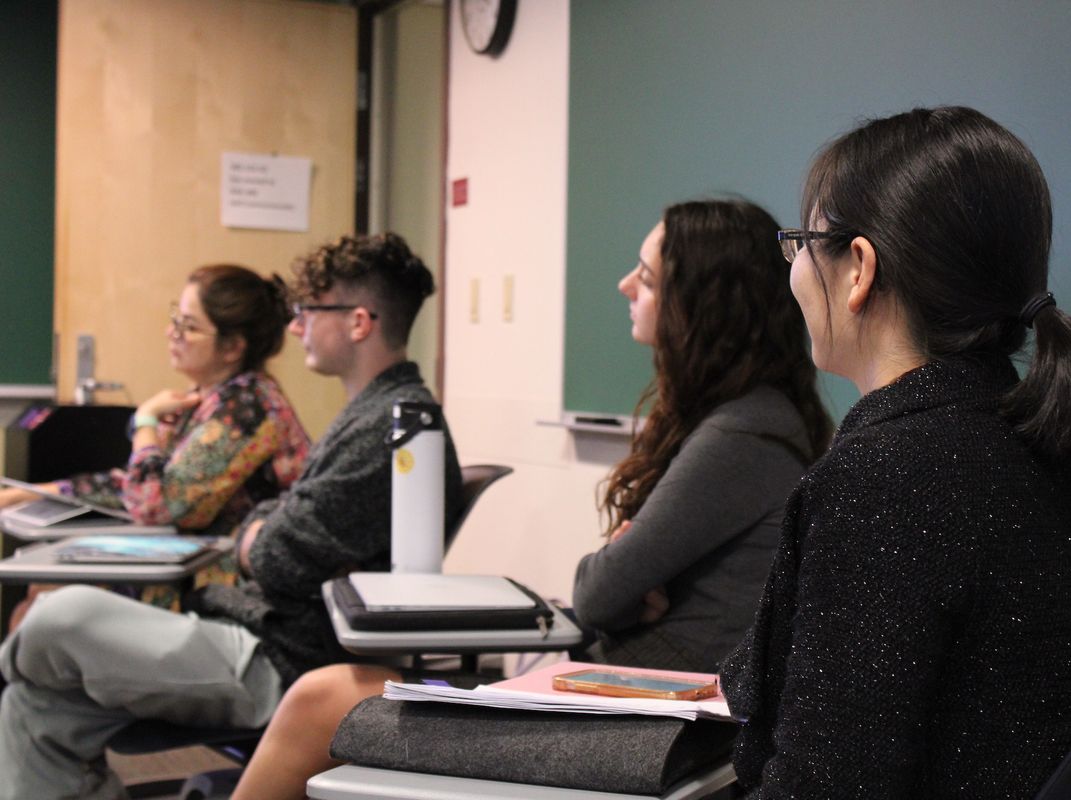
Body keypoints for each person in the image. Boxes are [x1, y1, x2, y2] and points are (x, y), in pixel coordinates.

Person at [226, 198, 834, 800]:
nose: (625, 286)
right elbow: (612, 597)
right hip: (623, 698)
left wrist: (620, 582)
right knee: (333, 695)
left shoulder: (739, 436)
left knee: (317, 699)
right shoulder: (750, 420)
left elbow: (595, 593)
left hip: (654, 723)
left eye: (646, 278)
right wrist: (624, 587)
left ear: (703, 306)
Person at [718, 106, 1071, 798]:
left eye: (801, 244)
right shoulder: (1050, 452)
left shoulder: (884, 475)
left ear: (858, 269)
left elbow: (825, 785)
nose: (796, 273)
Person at [0, 232, 464, 800]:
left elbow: (278, 557)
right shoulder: (372, 415)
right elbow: (270, 521)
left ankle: (15, 661)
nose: (295, 329)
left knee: (58, 614)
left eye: (308, 313)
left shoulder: (393, 427)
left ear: (359, 323)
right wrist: (258, 531)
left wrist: (254, 534)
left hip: (277, 655)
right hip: (246, 624)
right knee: (32, 708)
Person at [1, 264, 310, 625]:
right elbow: (139, 484)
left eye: (188, 327)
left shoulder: (247, 409)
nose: (171, 333)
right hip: (186, 562)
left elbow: (157, 504)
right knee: (39, 599)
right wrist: (39, 494)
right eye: (175, 319)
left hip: (225, 588)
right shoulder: (209, 399)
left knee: (42, 611)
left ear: (232, 348)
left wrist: (146, 423)